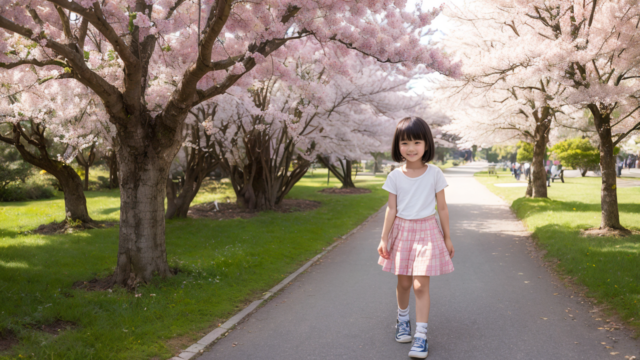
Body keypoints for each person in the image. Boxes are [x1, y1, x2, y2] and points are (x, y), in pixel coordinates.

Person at [377, 117, 454, 359]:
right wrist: (383, 238)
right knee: (404, 284)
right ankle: (402, 319)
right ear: (397, 145)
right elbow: (391, 209)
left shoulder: (434, 174)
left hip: (428, 232)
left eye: (417, 142)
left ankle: (421, 336)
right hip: (402, 232)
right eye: (405, 143)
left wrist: (447, 237)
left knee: (421, 285)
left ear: (426, 144)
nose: (411, 148)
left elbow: (442, 208)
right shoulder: (395, 176)